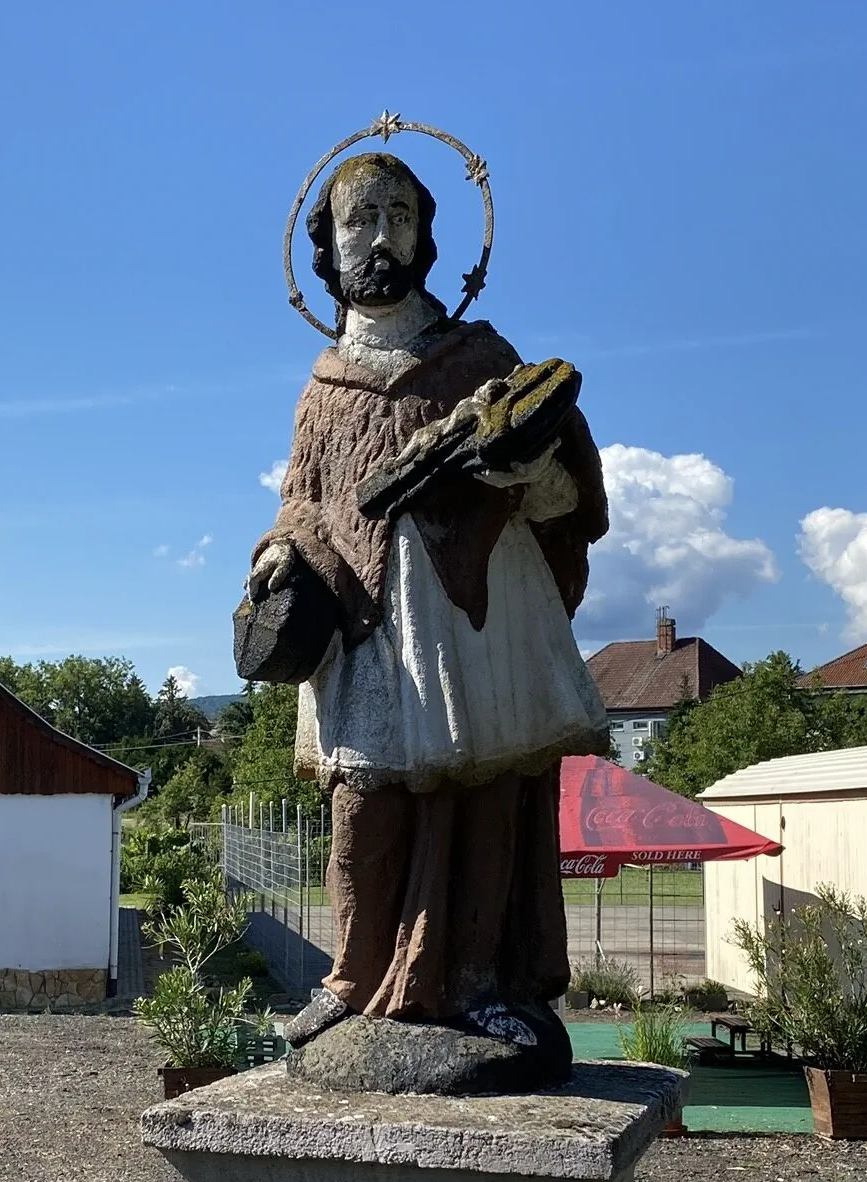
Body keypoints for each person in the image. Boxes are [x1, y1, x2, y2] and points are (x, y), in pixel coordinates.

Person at [250, 151, 609, 1079]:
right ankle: (353, 974)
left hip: (477, 604)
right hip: (363, 613)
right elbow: (301, 498)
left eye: (398, 216)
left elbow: (569, 497)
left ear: (428, 234)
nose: (379, 238)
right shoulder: (323, 385)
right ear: (324, 247)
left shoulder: (484, 361)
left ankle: (482, 980)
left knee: (488, 788)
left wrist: (516, 463)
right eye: (359, 219)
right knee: (360, 799)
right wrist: (278, 557)